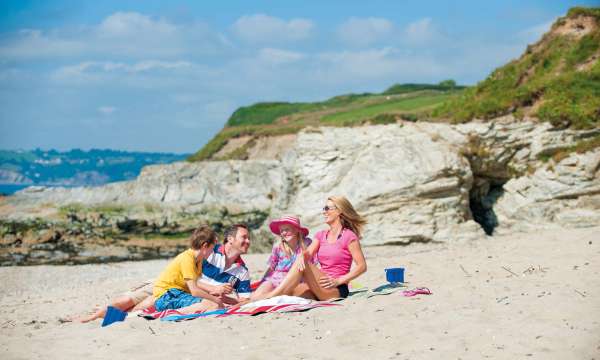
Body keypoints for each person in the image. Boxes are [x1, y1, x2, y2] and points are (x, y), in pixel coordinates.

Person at [258, 196, 367, 301]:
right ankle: (260, 298)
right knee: (291, 291)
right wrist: (302, 256)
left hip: (337, 288)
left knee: (300, 268)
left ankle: (269, 296)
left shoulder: (348, 236)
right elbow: (308, 253)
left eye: (327, 208)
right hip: (319, 282)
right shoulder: (320, 235)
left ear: (339, 211)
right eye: (324, 208)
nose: (324, 212)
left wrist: (339, 281)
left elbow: (362, 266)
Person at [153, 225, 225, 312]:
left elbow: (196, 286)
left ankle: (178, 311)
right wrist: (216, 300)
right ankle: (172, 313)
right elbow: (194, 291)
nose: (213, 251)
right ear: (205, 246)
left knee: (212, 303)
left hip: (177, 294)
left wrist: (222, 297)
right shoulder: (187, 258)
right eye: (212, 248)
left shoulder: (198, 260)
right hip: (167, 296)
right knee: (212, 304)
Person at [251, 216, 317, 300]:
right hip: (276, 280)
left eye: (287, 229)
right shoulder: (278, 247)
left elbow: (315, 264)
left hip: (297, 281)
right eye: (282, 230)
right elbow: (271, 267)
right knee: (255, 297)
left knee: (304, 297)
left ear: (297, 230)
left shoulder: (307, 244)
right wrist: (262, 282)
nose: (284, 233)